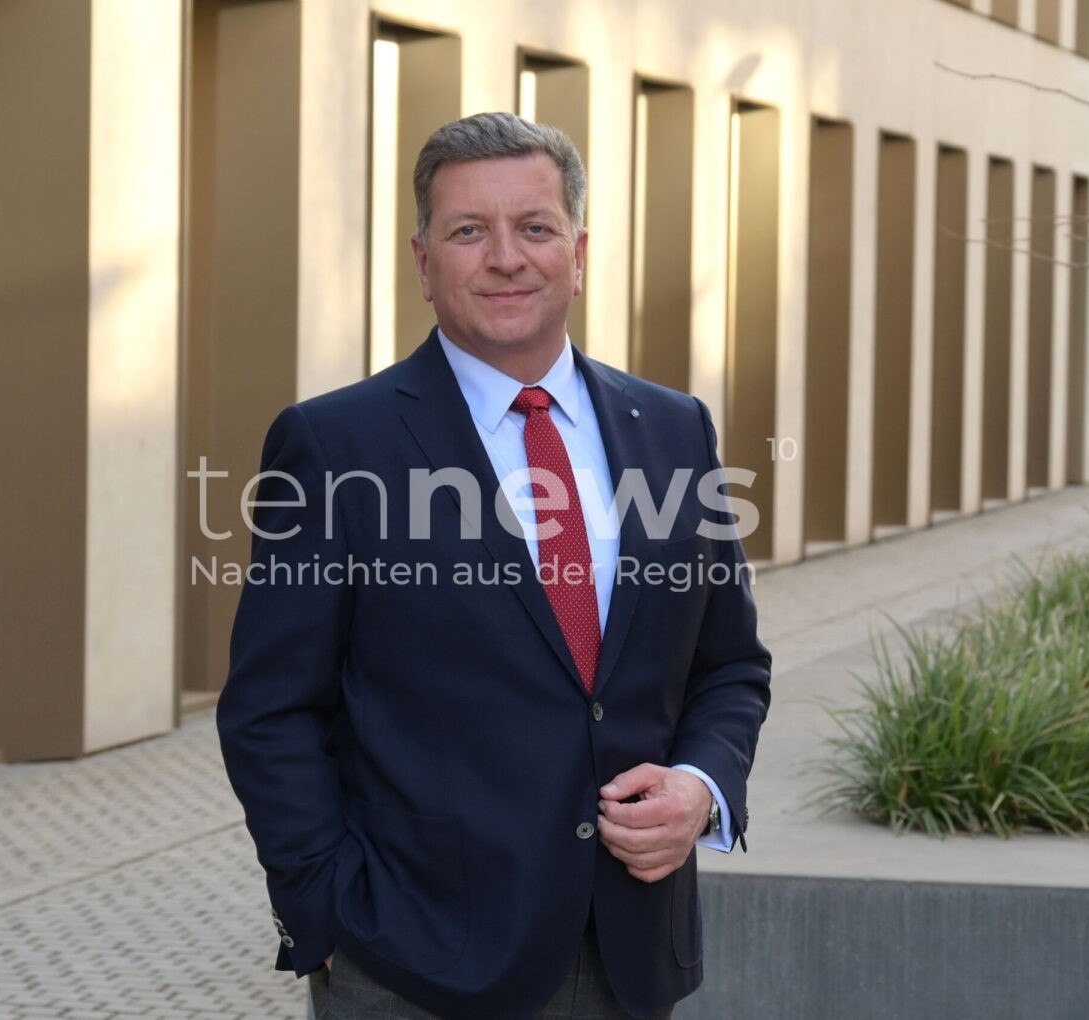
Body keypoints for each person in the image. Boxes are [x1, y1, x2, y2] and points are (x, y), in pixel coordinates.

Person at [216, 112, 771, 1020]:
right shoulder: (335, 445)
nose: (506, 258)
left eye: (535, 227)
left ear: (578, 254)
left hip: (630, 952)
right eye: (469, 230)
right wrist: (325, 910)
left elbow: (731, 665)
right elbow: (270, 710)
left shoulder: (675, 430)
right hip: (411, 962)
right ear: (423, 262)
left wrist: (701, 789)